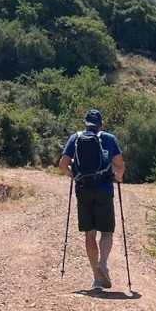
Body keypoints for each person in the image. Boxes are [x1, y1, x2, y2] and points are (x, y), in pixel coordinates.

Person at [58, 107, 125, 290]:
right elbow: (119, 166)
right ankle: (102, 263)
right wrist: (118, 178)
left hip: (83, 190)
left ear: (85, 123)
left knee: (90, 234)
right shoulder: (109, 138)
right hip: (104, 190)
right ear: (101, 124)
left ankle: (96, 277)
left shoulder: (76, 138)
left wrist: (75, 176)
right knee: (107, 232)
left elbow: (63, 165)